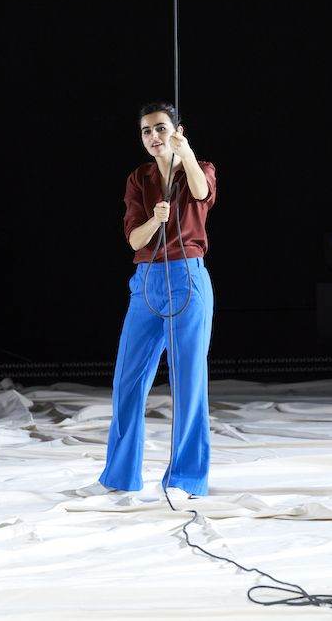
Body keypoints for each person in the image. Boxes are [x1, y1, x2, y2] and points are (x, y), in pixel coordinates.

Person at [89, 101, 216, 500]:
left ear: (177, 130)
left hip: (187, 279)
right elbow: (134, 239)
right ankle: (119, 476)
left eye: (161, 128)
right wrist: (154, 220)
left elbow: (202, 192)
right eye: (147, 131)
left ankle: (185, 479)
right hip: (146, 283)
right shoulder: (138, 179)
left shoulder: (199, 168)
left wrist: (186, 154)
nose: (154, 136)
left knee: (188, 382)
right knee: (127, 382)